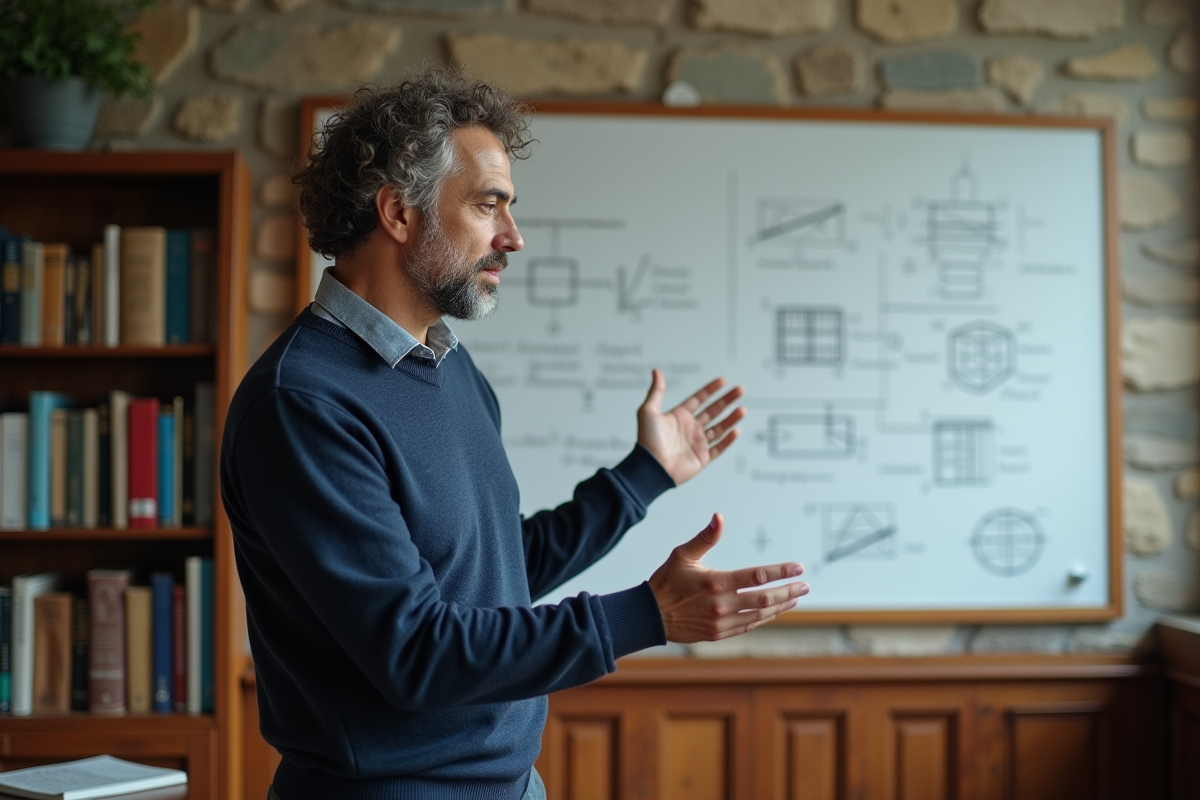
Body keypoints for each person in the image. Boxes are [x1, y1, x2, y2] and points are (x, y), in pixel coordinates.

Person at [220, 65, 810, 800]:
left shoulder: (450, 369)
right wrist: (646, 614)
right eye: (487, 205)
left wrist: (644, 476)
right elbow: (415, 652)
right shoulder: (302, 404)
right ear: (398, 212)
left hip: (512, 785)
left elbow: (495, 577)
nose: (513, 237)